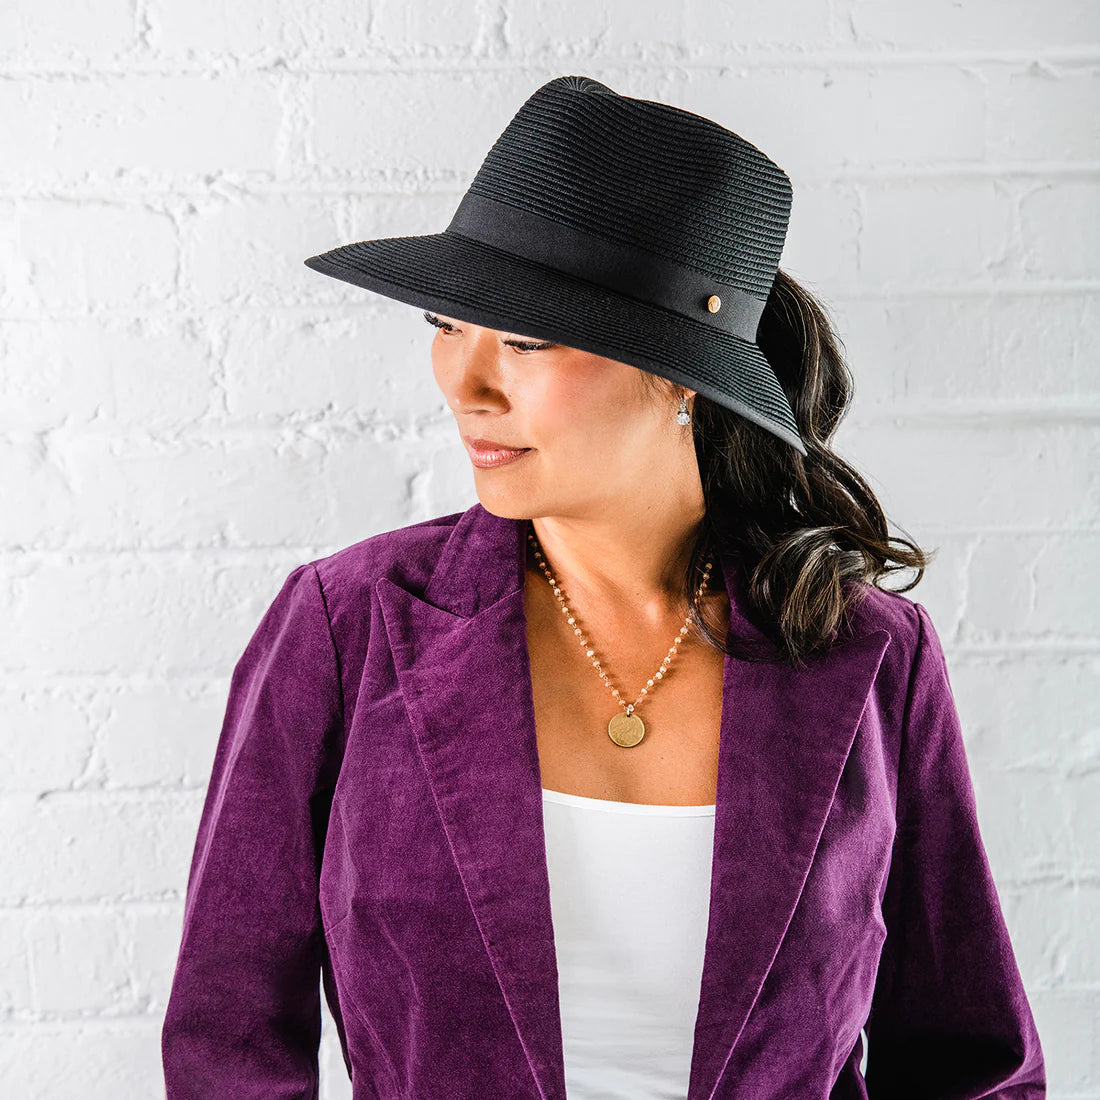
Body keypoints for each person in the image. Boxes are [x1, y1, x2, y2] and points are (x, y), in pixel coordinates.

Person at [161, 74, 1046, 1099]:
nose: (464, 383)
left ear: (681, 374)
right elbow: (228, 1036)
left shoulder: (867, 654)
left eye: (524, 340)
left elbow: (973, 1063)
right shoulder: (348, 624)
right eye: (446, 325)